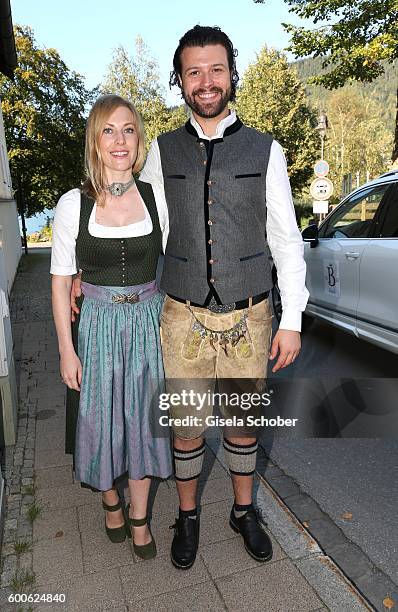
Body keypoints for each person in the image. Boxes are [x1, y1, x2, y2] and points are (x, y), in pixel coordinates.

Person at [139, 25, 309, 569]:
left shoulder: (266, 149)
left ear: (232, 74)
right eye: (194, 72)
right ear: (181, 82)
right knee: (187, 425)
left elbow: (286, 239)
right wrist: (77, 267)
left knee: (241, 421)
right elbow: (141, 228)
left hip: (251, 314)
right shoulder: (160, 153)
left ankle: (243, 510)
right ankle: (187, 516)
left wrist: (293, 319)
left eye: (215, 69)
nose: (205, 81)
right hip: (182, 314)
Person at [51, 94, 172, 560]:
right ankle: (110, 501)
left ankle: (140, 518)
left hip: (148, 326)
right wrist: (66, 349)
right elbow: (61, 283)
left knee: (143, 422)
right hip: (97, 328)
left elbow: (177, 262)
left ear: (138, 138)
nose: (119, 140)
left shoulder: (157, 199)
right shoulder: (72, 204)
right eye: (108, 130)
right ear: (95, 141)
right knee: (102, 422)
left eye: (128, 129)